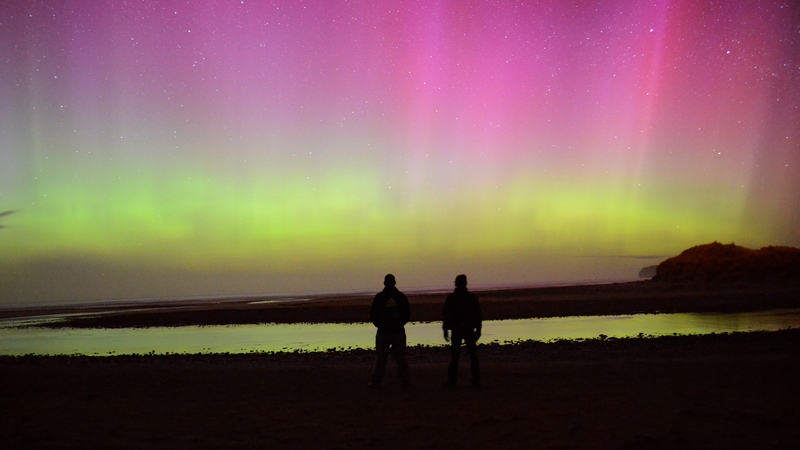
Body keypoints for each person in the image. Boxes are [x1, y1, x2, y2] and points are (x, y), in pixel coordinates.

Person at [369, 274, 412, 387]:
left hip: (385, 332)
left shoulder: (380, 297)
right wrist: (398, 323)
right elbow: (407, 313)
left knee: (381, 358)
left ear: (384, 283)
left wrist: (380, 325)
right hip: (395, 332)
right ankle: (404, 380)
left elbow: (373, 314)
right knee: (400, 358)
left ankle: (376, 381)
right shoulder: (400, 297)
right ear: (395, 282)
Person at [442, 274, 482, 387]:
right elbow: (478, 315)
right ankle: (474, 380)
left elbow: (446, 315)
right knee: (469, 355)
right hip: (465, 328)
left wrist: (445, 329)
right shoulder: (469, 298)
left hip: (459, 328)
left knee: (458, 355)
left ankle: (453, 380)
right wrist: (478, 329)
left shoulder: (453, 298)